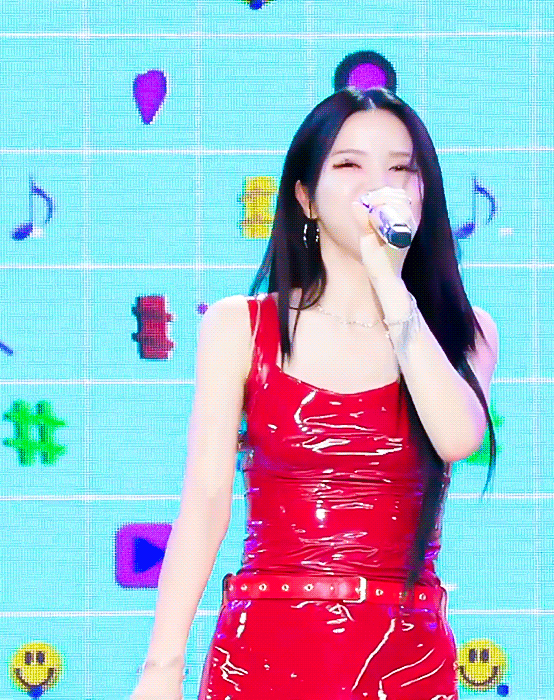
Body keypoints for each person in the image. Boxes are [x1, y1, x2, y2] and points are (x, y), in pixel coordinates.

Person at [129, 86, 498, 700]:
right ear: (306, 197)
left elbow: (457, 437)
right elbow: (205, 506)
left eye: (400, 169)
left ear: (421, 195)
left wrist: (388, 281)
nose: (377, 185)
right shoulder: (239, 328)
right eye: (350, 164)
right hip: (263, 651)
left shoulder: (464, 330)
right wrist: (161, 671)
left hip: (405, 658)